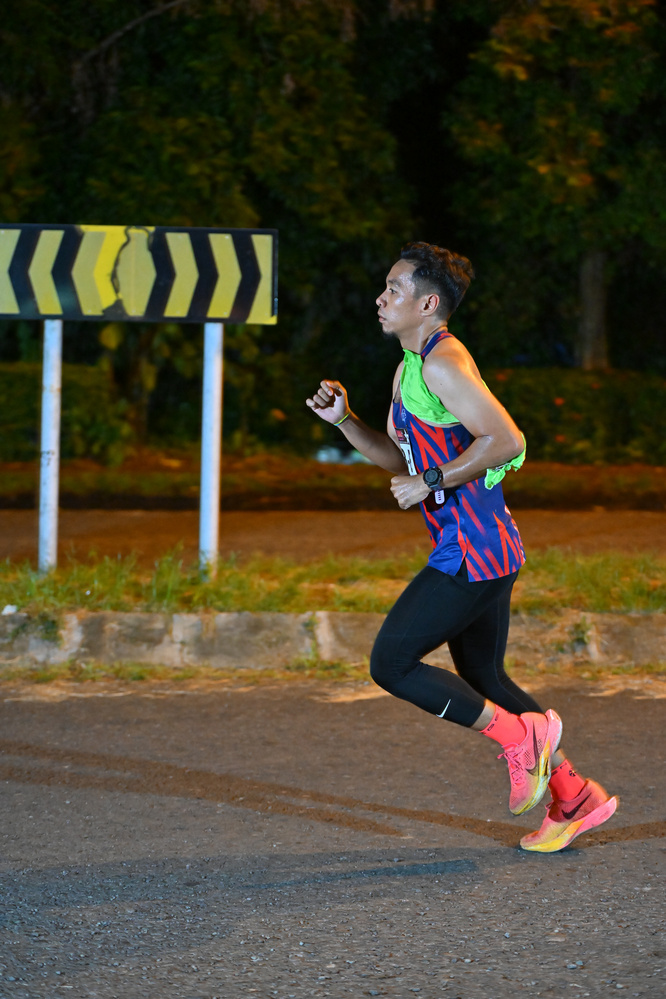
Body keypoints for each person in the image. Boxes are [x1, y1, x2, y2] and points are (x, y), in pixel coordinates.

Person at [306, 241, 617, 852]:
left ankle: (520, 739)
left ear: (428, 304)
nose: (380, 297)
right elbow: (402, 459)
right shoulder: (411, 365)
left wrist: (431, 481)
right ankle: (575, 796)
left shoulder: (444, 362)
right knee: (483, 674)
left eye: (394, 289)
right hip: (487, 548)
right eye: (385, 286)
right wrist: (345, 421)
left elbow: (505, 439)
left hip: (472, 551)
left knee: (392, 664)